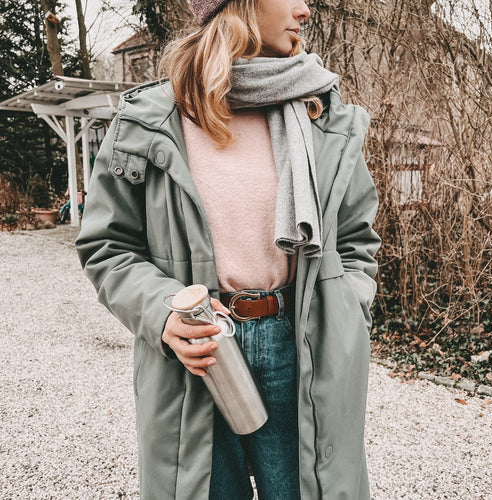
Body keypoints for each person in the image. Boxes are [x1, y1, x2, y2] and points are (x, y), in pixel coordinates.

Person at [75, 0, 380, 498]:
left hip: (301, 345)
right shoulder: (151, 120)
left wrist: (345, 310)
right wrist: (162, 313)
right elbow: (108, 245)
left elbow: (357, 242)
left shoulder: (323, 116)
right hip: (199, 352)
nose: (305, 9)